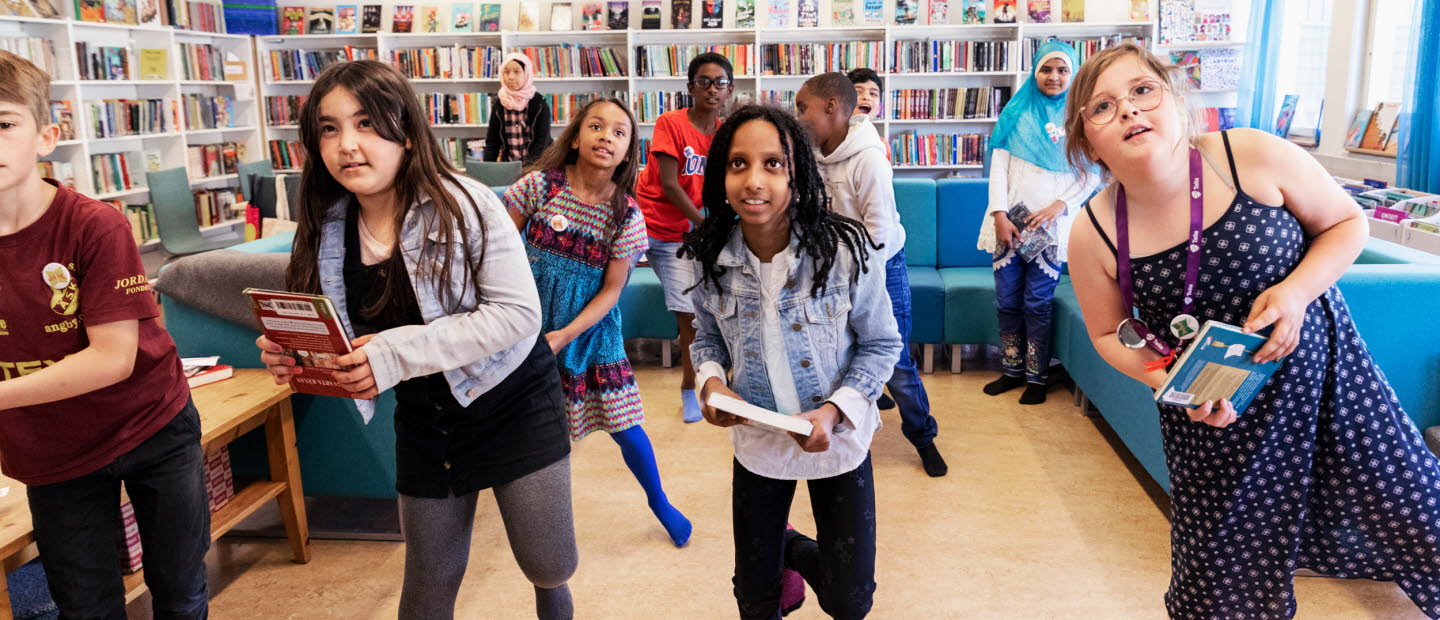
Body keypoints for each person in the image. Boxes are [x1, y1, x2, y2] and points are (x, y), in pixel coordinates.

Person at [1066, 43, 1440, 618]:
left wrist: (1295, 292)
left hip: (1330, 395)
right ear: (1087, 140)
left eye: (1142, 90)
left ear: (1173, 97)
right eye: (1103, 106)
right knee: (1220, 590)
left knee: (1421, 520)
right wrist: (1166, 376)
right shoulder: (1092, 232)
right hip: (1212, 425)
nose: (1129, 111)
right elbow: (1110, 333)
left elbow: (1346, 221)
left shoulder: (1249, 155)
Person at [256, 60, 577, 619]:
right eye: (329, 129)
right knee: (427, 590)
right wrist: (296, 352)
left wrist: (390, 353)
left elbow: (519, 314)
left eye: (365, 124)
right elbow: (338, 329)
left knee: (548, 564)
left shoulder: (467, 203)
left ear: (405, 130)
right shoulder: (324, 222)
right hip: (427, 420)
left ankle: (551, 598)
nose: (347, 145)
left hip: (512, 401)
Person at [0, 50, 210, 619]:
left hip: (150, 425)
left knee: (181, 590)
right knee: (85, 606)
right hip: (51, 450)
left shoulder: (95, 224)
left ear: (45, 136)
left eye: (4, 123)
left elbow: (112, 360)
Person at [684, 105, 901, 619]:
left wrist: (833, 411)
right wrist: (711, 385)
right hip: (760, 446)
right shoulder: (709, 254)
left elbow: (882, 344)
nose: (753, 180)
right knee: (754, 599)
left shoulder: (845, 249)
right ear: (721, 175)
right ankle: (774, 555)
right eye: (738, 164)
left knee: (849, 600)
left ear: (797, 173)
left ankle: (792, 547)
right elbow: (708, 339)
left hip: (839, 441)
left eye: (773, 164)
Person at [503, 98, 693, 548]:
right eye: (596, 126)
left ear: (629, 152)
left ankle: (659, 500)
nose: (606, 136)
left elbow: (612, 290)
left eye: (619, 132)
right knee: (524, 422)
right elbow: (499, 252)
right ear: (575, 136)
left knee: (625, 421)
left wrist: (566, 334)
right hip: (527, 320)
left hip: (591, 330)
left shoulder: (626, 214)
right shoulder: (539, 187)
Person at [795, 72, 947, 478]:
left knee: (895, 362)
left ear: (831, 108)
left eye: (802, 107)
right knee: (836, 355)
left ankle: (924, 437)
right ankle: (843, 431)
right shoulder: (810, 154)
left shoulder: (868, 158)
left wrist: (853, 281)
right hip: (834, 269)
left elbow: (879, 232)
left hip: (879, 267)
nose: (798, 117)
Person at [978, 40, 1099, 405]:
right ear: (1034, 72)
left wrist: (1060, 205)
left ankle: (1037, 377)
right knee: (1007, 302)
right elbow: (997, 169)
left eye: (1063, 70)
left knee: (1037, 303)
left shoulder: (1082, 120)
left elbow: (1092, 174)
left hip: (1052, 228)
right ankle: (1011, 370)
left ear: (1073, 74)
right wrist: (999, 214)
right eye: (1046, 69)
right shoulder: (1015, 114)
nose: (1054, 76)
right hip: (1008, 226)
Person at [635, 52, 735, 423]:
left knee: (689, 316)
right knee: (599, 292)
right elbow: (669, 184)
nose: (712, 89)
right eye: (703, 81)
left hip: (680, 237)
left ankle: (689, 389)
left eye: (720, 82)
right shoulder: (671, 122)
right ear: (690, 87)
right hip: (643, 223)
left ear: (729, 89)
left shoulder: (726, 134)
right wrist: (704, 224)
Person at [485, 53, 554, 164]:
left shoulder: (540, 104)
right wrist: (486, 170)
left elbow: (542, 144)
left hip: (537, 167)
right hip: (509, 167)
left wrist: (527, 171)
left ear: (526, 74)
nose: (511, 77)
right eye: (506, 72)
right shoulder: (499, 104)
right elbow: (492, 142)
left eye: (517, 72)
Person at [845, 68, 891, 162]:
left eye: (873, 93)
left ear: (879, 109)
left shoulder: (883, 146)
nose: (866, 97)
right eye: (857, 92)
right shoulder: (832, 142)